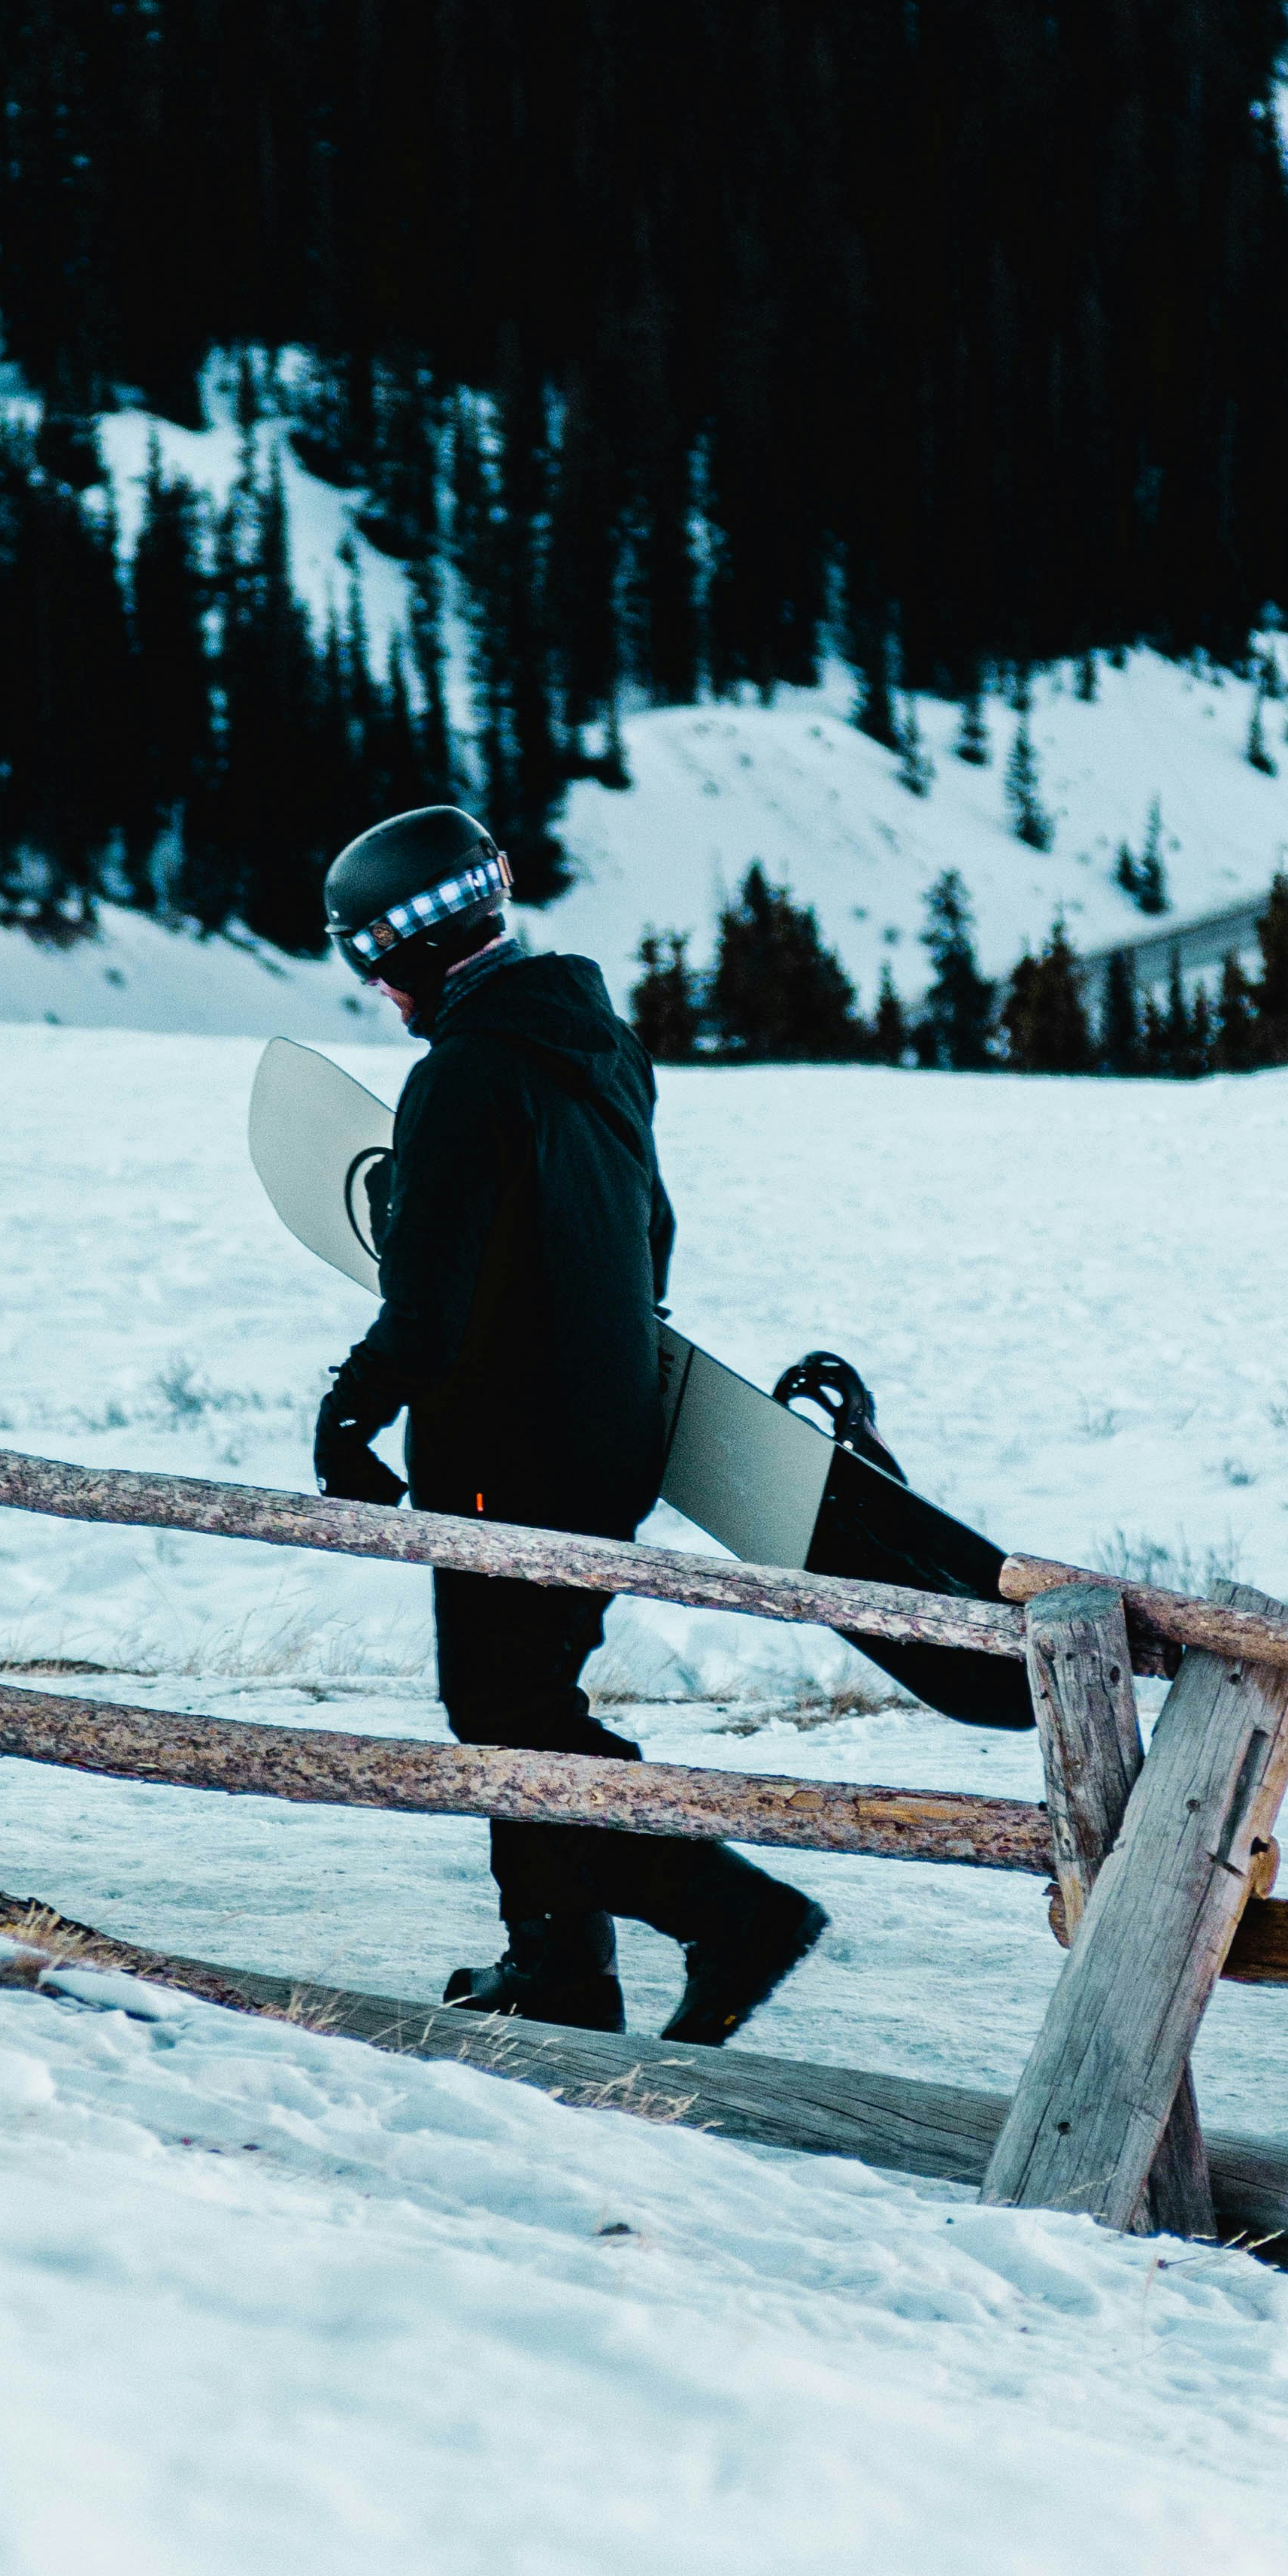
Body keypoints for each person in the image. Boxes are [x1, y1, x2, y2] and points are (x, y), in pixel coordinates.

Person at [312, 803, 826, 2041]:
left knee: (509, 1714)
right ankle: (557, 1967)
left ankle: (728, 1914)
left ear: (416, 950)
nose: (379, 995)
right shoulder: (592, 1042)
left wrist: (351, 1409)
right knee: (525, 1701)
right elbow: (650, 1238)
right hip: (612, 1431)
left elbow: (428, 1297)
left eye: (376, 966)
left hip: (506, 1447)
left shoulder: (463, 1078)